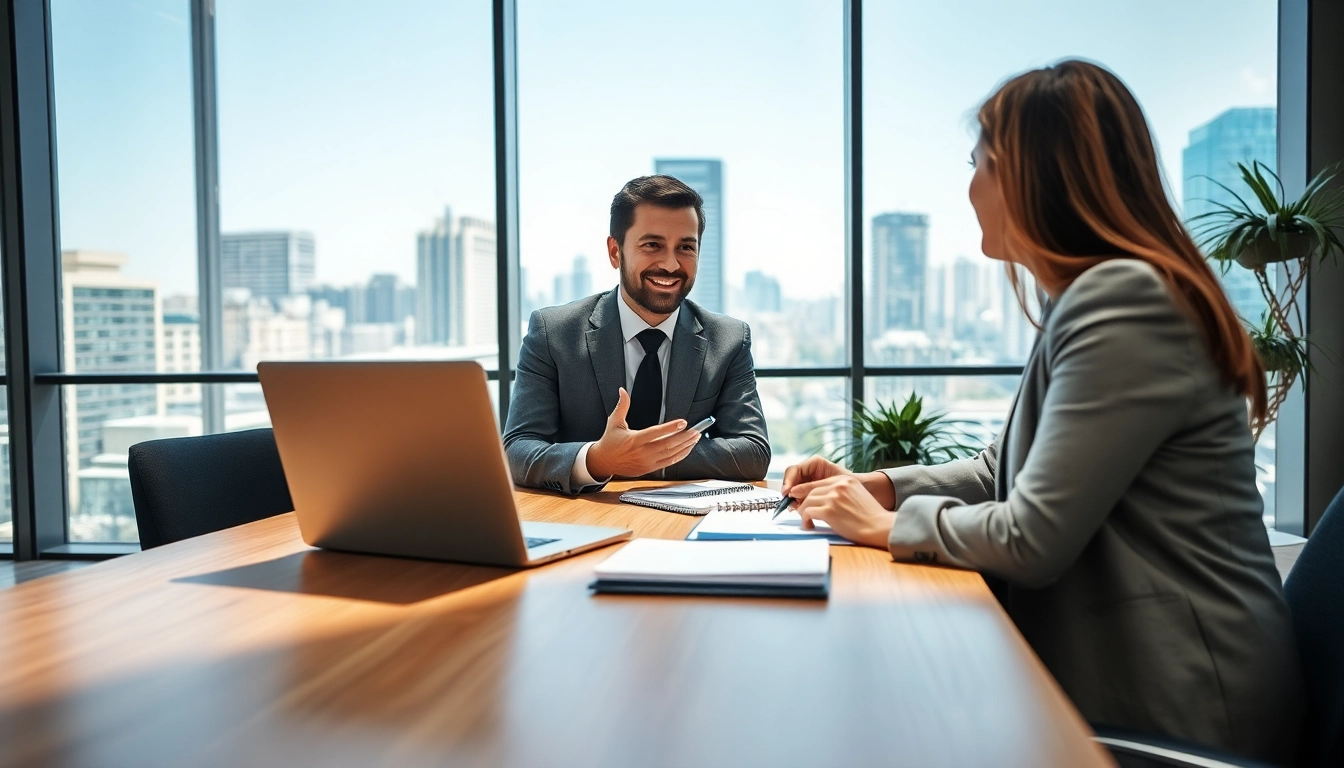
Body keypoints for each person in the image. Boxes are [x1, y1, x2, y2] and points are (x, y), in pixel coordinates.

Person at [783, 60, 1302, 764]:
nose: (969, 186)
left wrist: (883, 526)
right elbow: (1009, 467)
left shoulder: (1125, 300)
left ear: (1036, 175)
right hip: (1132, 667)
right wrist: (880, 486)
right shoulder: (1096, 294)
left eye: (980, 162)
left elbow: (1033, 536)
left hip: (1179, 699)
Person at [504, 175, 769, 495]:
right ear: (615, 252)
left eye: (686, 247)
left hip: (683, 524)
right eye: (652, 245)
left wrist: (645, 458)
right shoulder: (553, 333)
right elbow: (518, 450)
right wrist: (598, 460)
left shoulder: (729, 339)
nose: (671, 264)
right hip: (585, 517)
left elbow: (753, 452)